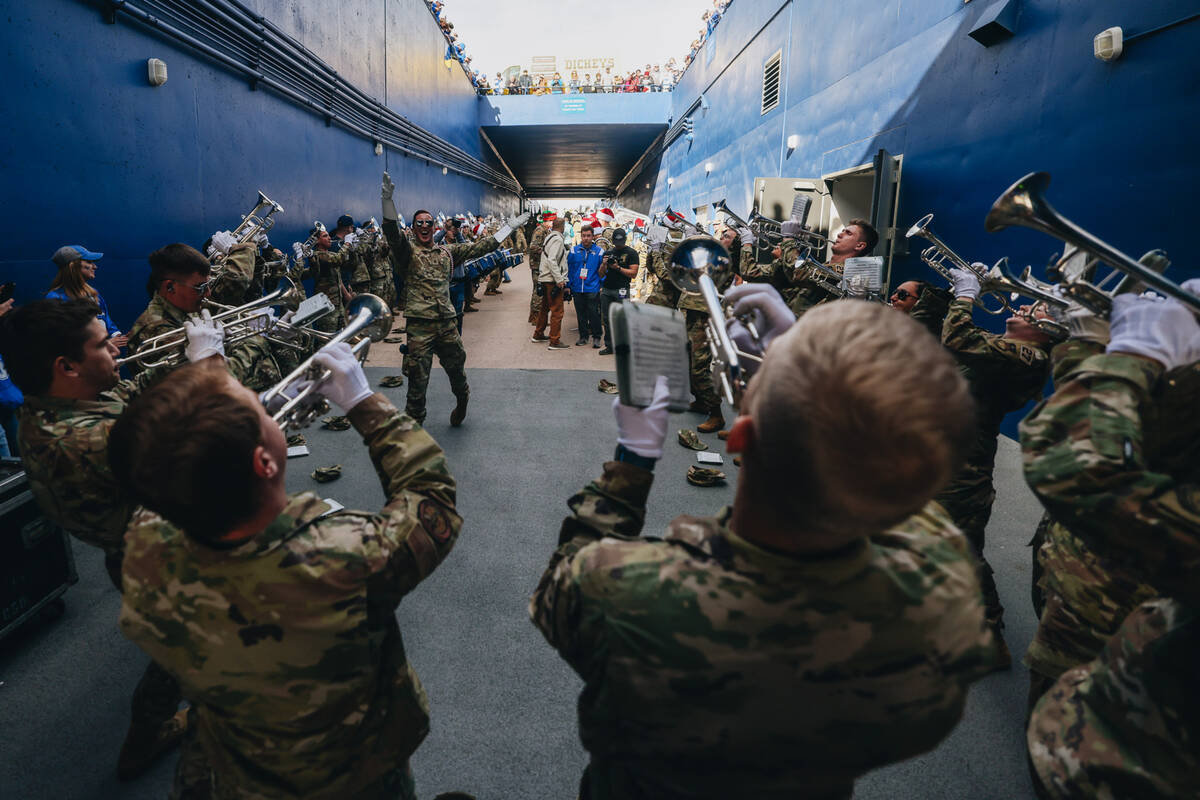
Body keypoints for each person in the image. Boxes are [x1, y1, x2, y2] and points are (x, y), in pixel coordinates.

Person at [531, 287, 997, 800]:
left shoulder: (626, 592)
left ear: (739, 439)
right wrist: (813, 371)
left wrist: (634, 457)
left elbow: (563, 579)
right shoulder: (944, 593)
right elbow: (904, 486)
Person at [110, 347, 462, 800]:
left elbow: (157, 462)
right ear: (265, 463)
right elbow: (430, 497)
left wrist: (210, 382)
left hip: (232, 772)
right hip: (355, 776)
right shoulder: (345, 557)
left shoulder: (144, 548)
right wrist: (362, 403)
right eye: (261, 407)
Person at [0, 298, 228, 780]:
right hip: (157, 559)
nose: (116, 348)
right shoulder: (80, 439)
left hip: (145, 542)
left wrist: (182, 364)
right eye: (104, 345)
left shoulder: (69, 400)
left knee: (177, 650)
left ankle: (147, 738)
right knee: (202, 656)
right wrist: (207, 370)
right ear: (66, 366)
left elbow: (126, 397)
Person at [1022, 286, 1200, 798]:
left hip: (1148, 729)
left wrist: (1134, 355)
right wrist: (1089, 344)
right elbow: (1134, 428)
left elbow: (1078, 467)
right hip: (1108, 617)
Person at [936, 266, 1052, 667]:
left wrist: (967, 296)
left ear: (1047, 332)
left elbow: (958, 336)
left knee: (960, 546)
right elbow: (948, 339)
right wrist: (954, 288)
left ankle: (989, 634)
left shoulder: (1027, 356)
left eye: (1036, 309)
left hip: (962, 463)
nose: (1022, 306)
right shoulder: (1002, 346)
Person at [382, 174, 527, 424]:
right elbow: (393, 234)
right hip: (419, 327)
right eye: (420, 222)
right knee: (417, 382)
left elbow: (483, 246)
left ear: (434, 227)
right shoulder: (407, 253)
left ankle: (462, 401)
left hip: (447, 324)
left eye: (429, 222)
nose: (425, 225)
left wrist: (509, 228)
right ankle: (415, 433)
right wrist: (387, 202)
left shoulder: (447, 252)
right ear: (415, 228)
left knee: (457, 373)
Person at [126, 242, 282, 391]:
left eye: (208, 285)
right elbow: (212, 381)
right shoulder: (156, 330)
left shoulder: (187, 309)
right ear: (170, 287)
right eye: (200, 287)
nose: (208, 293)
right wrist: (257, 340)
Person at [46, 245, 127, 349]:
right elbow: (62, 342)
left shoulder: (93, 293)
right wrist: (105, 345)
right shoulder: (55, 298)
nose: (95, 267)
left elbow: (106, 321)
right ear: (73, 266)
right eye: (89, 262)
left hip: (102, 359)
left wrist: (120, 338)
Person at [597, 228, 639, 356]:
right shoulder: (608, 252)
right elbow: (600, 274)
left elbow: (634, 274)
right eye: (616, 242)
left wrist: (618, 268)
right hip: (607, 289)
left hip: (622, 289)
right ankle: (609, 345)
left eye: (620, 242)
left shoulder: (632, 253)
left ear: (625, 240)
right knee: (607, 319)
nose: (618, 245)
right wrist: (604, 264)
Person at [532, 218, 569, 350]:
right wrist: (559, 279)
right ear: (563, 227)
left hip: (545, 278)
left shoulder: (548, 237)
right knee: (557, 311)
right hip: (553, 280)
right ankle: (554, 341)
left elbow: (546, 257)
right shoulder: (558, 240)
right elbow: (553, 260)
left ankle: (538, 334)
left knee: (544, 308)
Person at [568, 224, 605, 347]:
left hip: (592, 288)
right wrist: (569, 285)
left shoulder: (599, 252)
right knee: (581, 314)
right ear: (581, 236)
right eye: (583, 236)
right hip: (577, 288)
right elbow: (569, 269)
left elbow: (604, 270)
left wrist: (601, 284)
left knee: (594, 313)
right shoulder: (574, 250)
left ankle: (596, 337)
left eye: (588, 236)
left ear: (593, 236)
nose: (586, 238)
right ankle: (583, 337)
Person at [526, 215, 550, 324]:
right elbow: (533, 246)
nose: (552, 224)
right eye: (551, 221)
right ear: (547, 221)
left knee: (540, 290)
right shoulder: (539, 231)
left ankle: (536, 317)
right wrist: (545, 251)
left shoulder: (546, 231)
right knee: (538, 290)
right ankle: (536, 318)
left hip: (541, 265)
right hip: (537, 265)